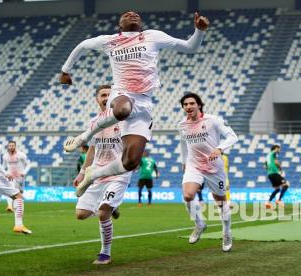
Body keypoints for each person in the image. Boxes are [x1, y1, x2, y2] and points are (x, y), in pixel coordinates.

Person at [58, 11, 209, 197]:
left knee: (130, 162)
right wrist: (66, 70)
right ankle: (84, 136)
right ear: (119, 26)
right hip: (122, 93)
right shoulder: (109, 40)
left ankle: (92, 176)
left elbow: (189, 47)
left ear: (142, 25)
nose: (132, 14)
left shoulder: (152, 36)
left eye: (136, 14)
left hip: (144, 102)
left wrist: (199, 31)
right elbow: (82, 45)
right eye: (127, 14)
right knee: (122, 110)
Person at [73, 85, 131, 265]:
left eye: (109, 95)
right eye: (103, 95)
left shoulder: (123, 121)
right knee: (81, 214)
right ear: (97, 100)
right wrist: (83, 172)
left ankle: (105, 253)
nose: (106, 97)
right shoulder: (94, 122)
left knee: (102, 212)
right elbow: (92, 147)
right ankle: (110, 207)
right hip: (96, 173)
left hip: (118, 172)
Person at [178, 93, 238, 252]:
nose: (189, 106)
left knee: (221, 201)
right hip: (194, 166)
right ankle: (199, 223)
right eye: (185, 104)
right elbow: (183, 145)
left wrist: (219, 148)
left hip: (214, 167)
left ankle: (226, 233)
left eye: (192, 103)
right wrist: (184, 163)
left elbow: (233, 136)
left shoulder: (213, 120)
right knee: (187, 195)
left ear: (198, 105)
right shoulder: (182, 125)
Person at [3, 140, 30, 212]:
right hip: (10, 177)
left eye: (13, 146)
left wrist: (24, 172)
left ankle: (16, 207)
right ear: (8, 147)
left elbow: (28, 165)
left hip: (20, 177)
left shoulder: (21, 155)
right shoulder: (5, 156)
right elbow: (3, 167)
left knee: (19, 192)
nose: (11, 147)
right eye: (10, 146)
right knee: (10, 190)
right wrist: (5, 173)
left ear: (15, 146)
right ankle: (9, 206)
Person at [264, 145, 290, 209]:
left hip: (270, 174)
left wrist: (269, 169)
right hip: (274, 173)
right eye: (279, 149)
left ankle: (268, 202)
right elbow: (276, 162)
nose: (279, 150)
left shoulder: (268, 155)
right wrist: (280, 169)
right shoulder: (274, 152)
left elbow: (265, 165)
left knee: (277, 189)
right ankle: (279, 200)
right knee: (286, 185)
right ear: (276, 148)